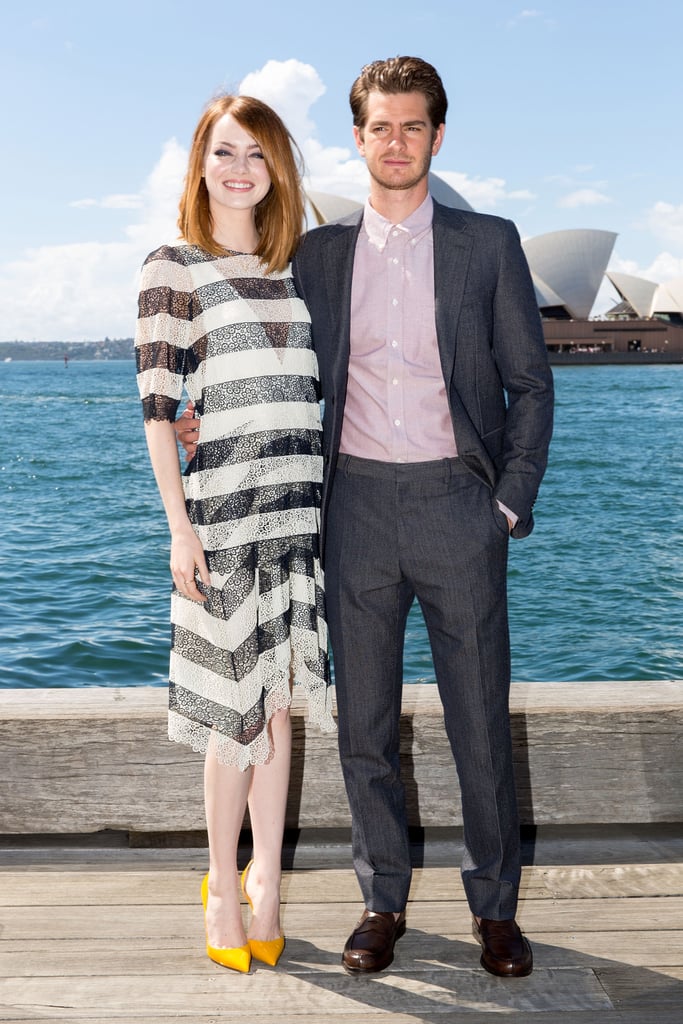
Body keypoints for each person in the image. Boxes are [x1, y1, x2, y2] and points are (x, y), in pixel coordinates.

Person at [177, 56, 554, 979]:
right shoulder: (318, 254)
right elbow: (262, 359)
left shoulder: (489, 242)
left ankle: (493, 911)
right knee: (363, 730)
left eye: (412, 126)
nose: (395, 142)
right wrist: (202, 419)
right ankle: (381, 899)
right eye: (378, 127)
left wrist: (505, 505)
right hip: (348, 512)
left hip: (457, 506)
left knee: (477, 722)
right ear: (357, 137)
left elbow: (530, 387)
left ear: (435, 134)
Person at [135, 93, 335, 975]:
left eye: (256, 153)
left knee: (280, 712)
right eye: (224, 152)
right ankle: (220, 883)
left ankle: (268, 888)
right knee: (233, 717)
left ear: (277, 166)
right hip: (222, 523)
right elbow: (156, 411)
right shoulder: (174, 266)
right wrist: (179, 530)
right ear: (201, 164)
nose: (240, 168)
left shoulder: (302, 269)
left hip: (299, 524)